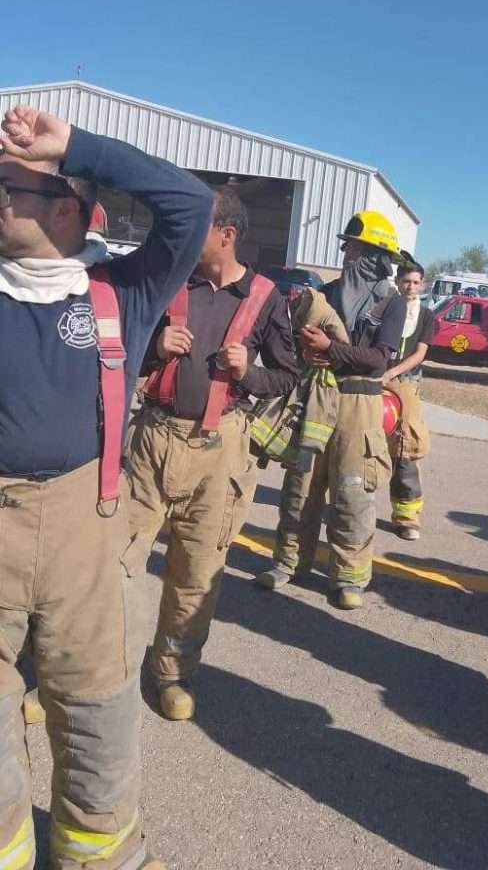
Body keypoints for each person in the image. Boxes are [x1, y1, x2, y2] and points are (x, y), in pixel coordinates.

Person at [0, 105, 212, 870]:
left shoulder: (122, 289)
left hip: (86, 534)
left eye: (5, 189)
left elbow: (191, 205)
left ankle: (100, 857)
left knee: (96, 713)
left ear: (64, 208)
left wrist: (74, 147)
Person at [127, 187, 299, 721]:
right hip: (152, 441)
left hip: (219, 450)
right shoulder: (169, 278)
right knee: (114, 562)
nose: (181, 231)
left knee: (196, 572)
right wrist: (154, 348)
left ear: (226, 234)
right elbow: (118, 346)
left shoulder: (267, 297)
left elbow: (287, 376)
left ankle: (172, 674)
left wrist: (248, 373)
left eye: (195, 224)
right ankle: (95, 672)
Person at [255, 209, 406, 610]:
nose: (345, 253)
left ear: (373, 254)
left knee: (352, 493)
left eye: (351, 246)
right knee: (300, 486)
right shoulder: (328, 292)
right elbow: (298, 341)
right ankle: (288, 563)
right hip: (318, 398)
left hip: (360, 405)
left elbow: (378, 359)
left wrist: (331, 349)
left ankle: (348, 579)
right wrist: (307, 348)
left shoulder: (392, 303)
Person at [382, 260, 434, 541]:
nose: (410, 287)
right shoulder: (383, 307)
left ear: (421, 285)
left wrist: (392, 373)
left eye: (415, 282)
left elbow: (420, 353)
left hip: (406, 384)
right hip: (376, 380)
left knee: (406, 447)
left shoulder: (425, 316)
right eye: (406, 281)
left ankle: (407, 517)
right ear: (397, 282)